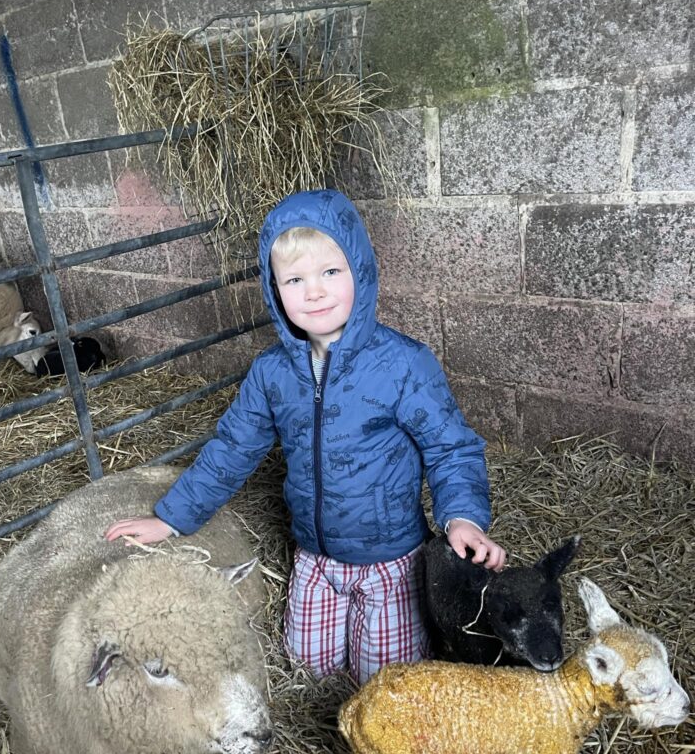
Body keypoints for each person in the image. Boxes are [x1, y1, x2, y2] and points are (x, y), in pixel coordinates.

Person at [106, 189, 506, 684]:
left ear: (359, 270)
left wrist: (463, 518)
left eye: (330, 273)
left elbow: (451, 448)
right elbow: (232, 448)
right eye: (295, 279)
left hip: (390, 564)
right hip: (314, 560)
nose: (313, 292)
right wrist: (171, 520)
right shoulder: (272, 372)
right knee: (306, 671)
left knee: (384, 686)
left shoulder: (403, 364)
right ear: (275, 291)